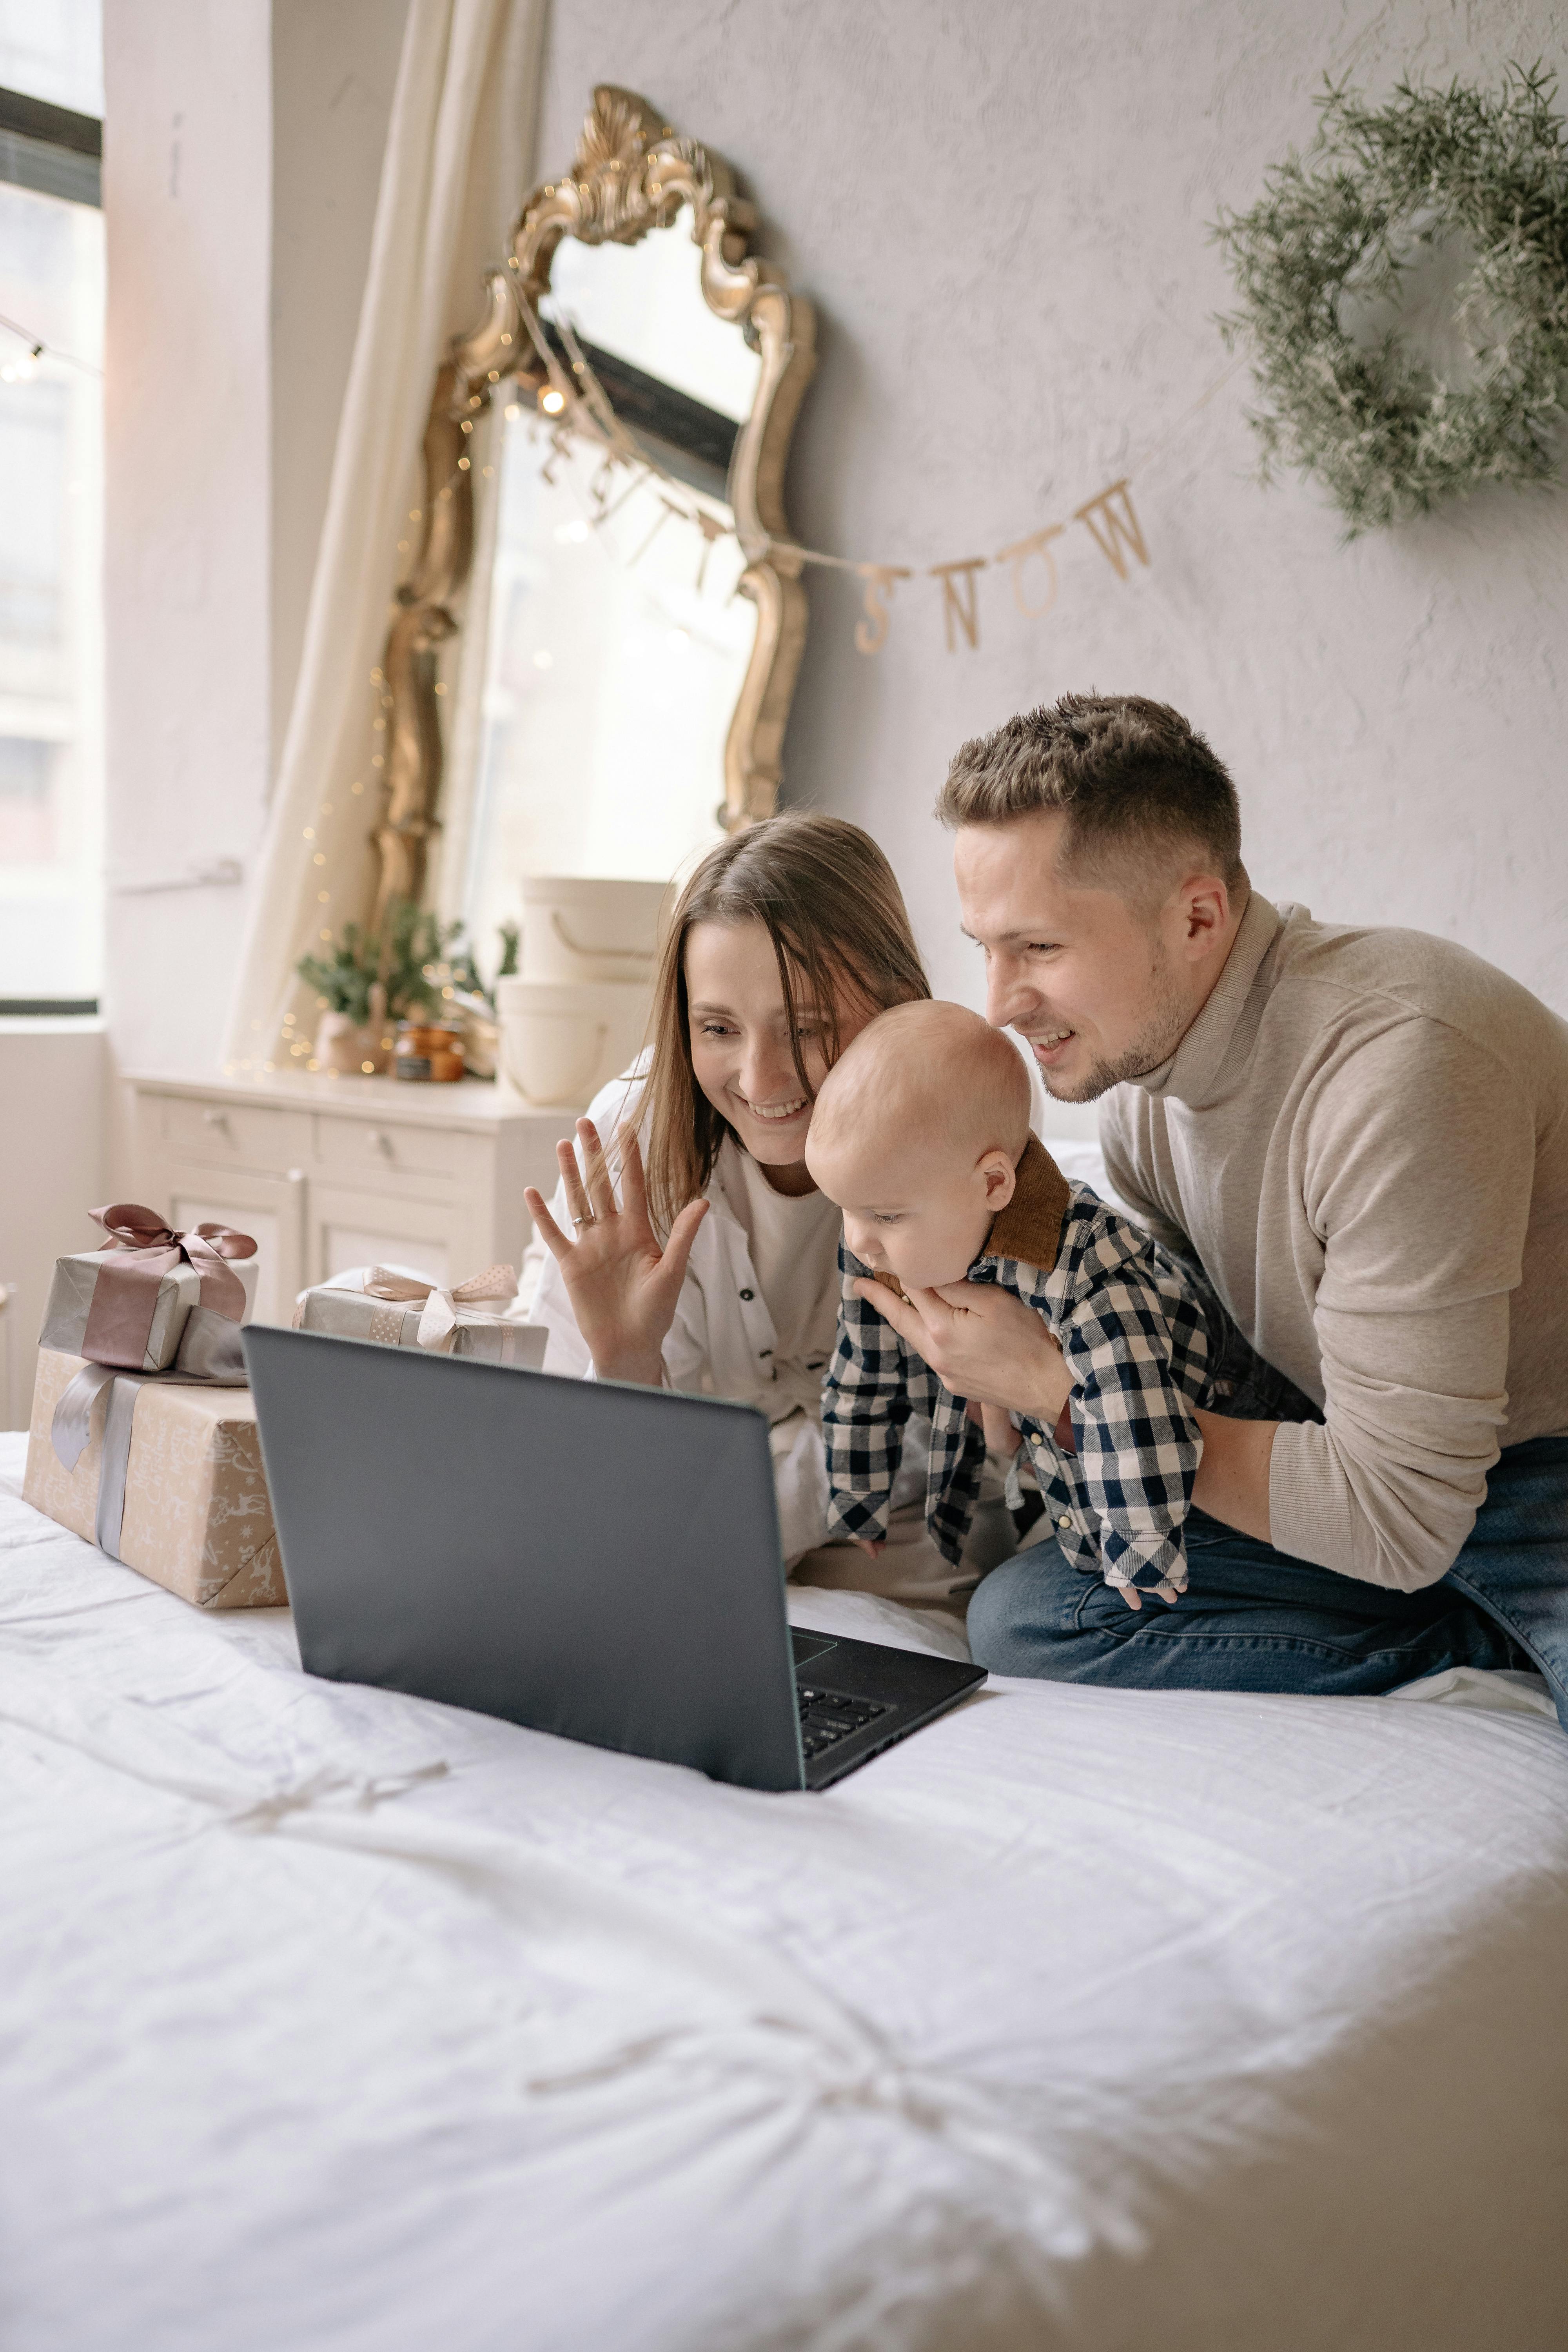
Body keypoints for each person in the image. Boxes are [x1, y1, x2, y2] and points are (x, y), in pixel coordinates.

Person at [854, 692, 1568, 1724]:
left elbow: (1402, 1512)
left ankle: (1490, 1610)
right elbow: (1211, 1371)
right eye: (987, 947)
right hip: (1380, 1457)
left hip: (1538, 1478)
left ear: (1198, 917)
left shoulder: (1404, 1072)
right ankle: (1474, 1632)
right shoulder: (1143, 1091)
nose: (1000, 1002)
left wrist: (1061, 1390)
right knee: (1030, 1617)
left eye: (1039, 950)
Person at [522, 813, 1013, 1608]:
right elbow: (569, 1469)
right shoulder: (632, 1137)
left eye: (807, 1027)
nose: (760, 1078)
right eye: (718, 1028)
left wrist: (705, 1518)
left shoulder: (956, 1132)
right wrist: (623, 1367)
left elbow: (939, 1436)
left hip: (895, 1552)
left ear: (894, 1000)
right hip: (678, 1540)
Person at [806, 998, 1308, 1606]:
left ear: (994, 1184)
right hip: (1084, 1447)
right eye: (845, 1208)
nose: (859, 1240)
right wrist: (857, 1491)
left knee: (1060, 1603)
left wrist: (1139, 1554)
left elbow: (1136, 1419)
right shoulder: (881, 1239)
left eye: (884, 1215)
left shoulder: (1089, 1270)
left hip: (1221, 1415)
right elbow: (862, 1365)